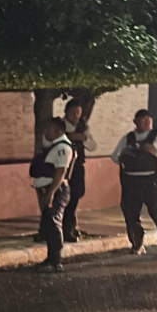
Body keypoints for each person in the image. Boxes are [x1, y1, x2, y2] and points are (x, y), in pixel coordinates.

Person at [111, 109, 157, 257]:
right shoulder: (128, 138)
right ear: (135, 122)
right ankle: (137, 245)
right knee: (131, 216)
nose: (146, 122)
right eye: (142, 120)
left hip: (152, 182)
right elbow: (115, 157)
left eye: (148, 119)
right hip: (131, 182)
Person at [30, 118, 75, 273]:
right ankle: (50, 258)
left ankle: (55, 261)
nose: (46, 132)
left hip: (56, 190)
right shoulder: (53, 147)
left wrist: (51, 192)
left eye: (49, 130)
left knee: (54, 223)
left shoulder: (62, 147)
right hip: (48, 190)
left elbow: (61, 172)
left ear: (58, 131)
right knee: (49, 224)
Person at [61, 98, 96, 242]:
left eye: (78, 113)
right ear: (66, 112)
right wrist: (69, 137)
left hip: (78, 166)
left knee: (77, 193)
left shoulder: (83, 127)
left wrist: (83, 138)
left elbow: (93, 146)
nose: (76, 116)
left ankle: (71, 225)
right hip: (63, 166)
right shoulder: (60, 125)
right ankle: (66, 228)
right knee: (64, 197)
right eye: (73, 112)